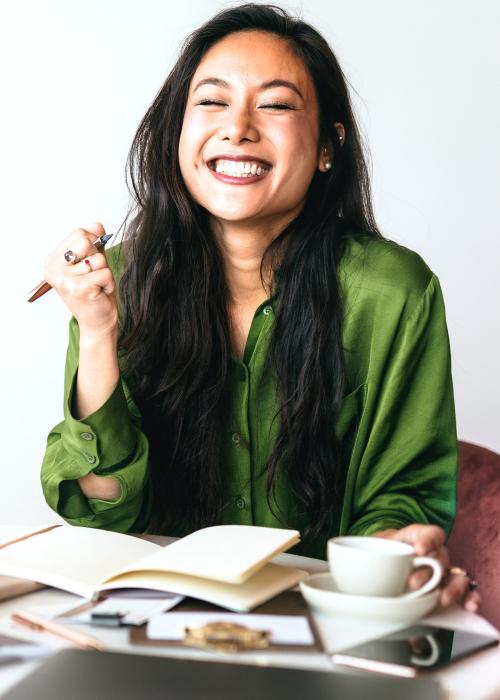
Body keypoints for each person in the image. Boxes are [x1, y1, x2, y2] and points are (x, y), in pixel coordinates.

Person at [40, 4, 479, 611]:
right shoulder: (116, 283)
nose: (237, 127)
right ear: (177, 133)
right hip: (156, 627)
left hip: (326, 629)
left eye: (275, 105)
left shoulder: (393, 291)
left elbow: (399, 498)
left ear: (328, 144)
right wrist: (95, 332)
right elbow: (105, 516)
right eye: (212, 102)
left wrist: (401, 549)